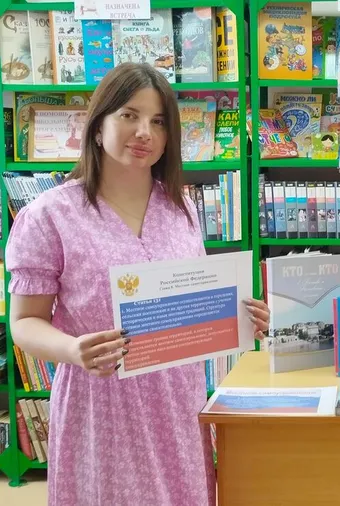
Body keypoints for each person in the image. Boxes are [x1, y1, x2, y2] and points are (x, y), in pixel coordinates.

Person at [6, 63, 271, 506]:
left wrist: (240, 315)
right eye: (129, 115)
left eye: (158, 121)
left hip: (177, 400)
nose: (144, 132)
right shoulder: (50, 215)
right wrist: (73, 350)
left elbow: (189, 301)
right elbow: (24, 322)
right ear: (97, 126)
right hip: (102, 404)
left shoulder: (181, 207)